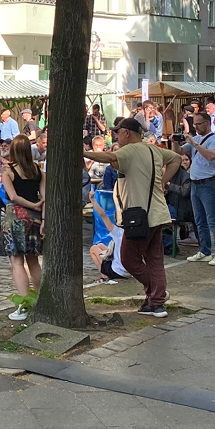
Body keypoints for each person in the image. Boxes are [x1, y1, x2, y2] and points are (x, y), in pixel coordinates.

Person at [83, 118, 182, 317]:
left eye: (118, 133)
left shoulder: (129, 150)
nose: (116, 136)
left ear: (127, 133)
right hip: (158, 213)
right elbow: (176, 159)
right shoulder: (154, 149)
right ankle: (156, 302)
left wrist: (83, 152)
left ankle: (157, 294)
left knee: (128, 259)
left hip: (139, 217)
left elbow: (107, 156)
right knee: (154, 260)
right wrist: (163, 181)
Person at [0, 136, 45, 320]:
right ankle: (41, 299)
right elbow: (45, 197)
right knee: (33, 261)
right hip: (35, 220)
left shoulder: (8, 171)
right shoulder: (38, 170)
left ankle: (24, 304)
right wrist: (43, 218)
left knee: (16, 262)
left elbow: (13, 196)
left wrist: (31, 206)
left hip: (15, 218)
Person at [185, 112, 215, 266]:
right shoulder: (196, 138)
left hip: (209, 184)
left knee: (213, 219)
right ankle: (205, 251)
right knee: (199, 220)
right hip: (195, 183)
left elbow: (210, 155)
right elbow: (181, 151)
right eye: (194, 124)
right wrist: (176, 141)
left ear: (207, 123)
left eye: (198, 124)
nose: (196, 127)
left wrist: (194, 144)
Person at [89, 203, 131, 285]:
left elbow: (103, 215)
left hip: (118, 271)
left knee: (93, 248)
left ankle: (104, 276)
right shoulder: (132, 232)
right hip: (130, 270)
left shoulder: (118, 232)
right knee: (100, 245)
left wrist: (93, 200)